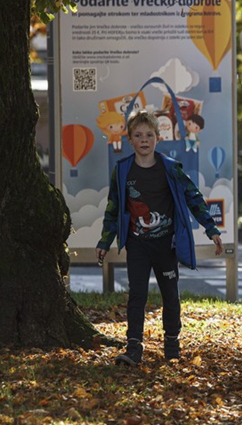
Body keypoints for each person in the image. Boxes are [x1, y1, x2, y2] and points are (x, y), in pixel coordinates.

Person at [96, 109, 223, 366]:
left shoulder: (170, 168)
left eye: (149, 135)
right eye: (139, 135)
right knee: (137, 295)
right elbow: (113, 208)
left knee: (170, 294)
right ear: (130, 138)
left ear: (158, 138)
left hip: (166, 244)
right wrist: (104, 241)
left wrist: (211, 229)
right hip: (137, 244)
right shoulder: (122, 170)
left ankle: (172, 345)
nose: (144, 140)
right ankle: (133, 348)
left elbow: (194, 197)